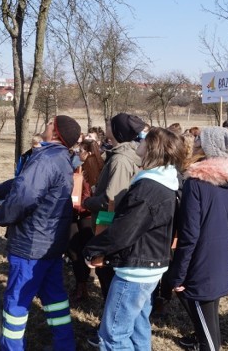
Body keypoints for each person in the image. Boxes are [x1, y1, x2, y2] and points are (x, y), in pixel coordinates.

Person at [0, 115, 81, 350]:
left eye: (48, 124)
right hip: (51, 245)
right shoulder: (63, 158)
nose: (44, 125)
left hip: (31, 245)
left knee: (16, 303)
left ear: (55, 133)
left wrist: (1, 214)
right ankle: (65, 345)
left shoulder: (45, 159)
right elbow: (24, 183)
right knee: (55, 298)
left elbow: (25, 195)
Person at [83, 127, 185, 350]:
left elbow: (124, 230)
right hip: (151, 264)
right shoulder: (167, 181)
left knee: (113, 336)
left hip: (136, 270)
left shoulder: (149, 188)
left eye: (144, 140)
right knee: (139, 325)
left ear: (151, 148)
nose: (139, 141)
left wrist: (93, 248)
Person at [170, 126, 228, 351]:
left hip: (200, 260)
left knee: (207, 330)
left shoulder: (196, 183)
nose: (194, 145)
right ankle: (200, 335)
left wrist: (179, 274)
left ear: (207, 148)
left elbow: (189, 234)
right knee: (208, 308)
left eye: (199, 142)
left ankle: (206, 342)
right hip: (219, 256)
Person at [82, 113, 145, 299]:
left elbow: (111, 199)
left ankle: (112, 321)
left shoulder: (120, 159)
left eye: (109, 125)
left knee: (108, 276)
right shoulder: (121, 155)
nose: (106, 127)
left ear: (116, 131)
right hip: (114, 223)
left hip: (111, 224)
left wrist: (88, 201)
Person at [67, 139, 104, 302]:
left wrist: (82, 205)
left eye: (81, 150)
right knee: (73, 250)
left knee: (86, 250)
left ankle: (88, 283)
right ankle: (80, 285)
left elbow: (95, 196)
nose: (78, 153)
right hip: (73, 214)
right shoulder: (76, 167)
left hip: (88, 216)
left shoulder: (98, 171)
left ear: (89, 153)